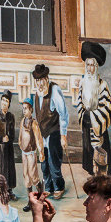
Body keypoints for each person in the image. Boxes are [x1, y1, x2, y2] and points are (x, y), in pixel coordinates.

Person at [76, 42, 111, 176]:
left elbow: (108, 107)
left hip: (98, 126)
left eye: (92, 65)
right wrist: (83, 115)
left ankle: (101, 175)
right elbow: (79, 102)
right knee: (88, 152)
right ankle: (91, 173)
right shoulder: (82, 83)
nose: (89, 69)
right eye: (87, 65)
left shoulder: (102, 85)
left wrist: (93, 117)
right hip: (87, 125)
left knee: (100, 154)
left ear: (96, 67)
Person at [32, 64, 69, 199]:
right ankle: (48, 187)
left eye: (42, 80)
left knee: (54, 163)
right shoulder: (37, 93)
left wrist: (63, 135)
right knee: (44, 163)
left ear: (46, 79)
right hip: (42, 135)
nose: (40, 83)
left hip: (54, 132)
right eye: (37, 80)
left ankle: (59, 187)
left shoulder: (54, 90)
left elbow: (63, 114)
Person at [18, 97, 44, 211]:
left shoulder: (34, 123)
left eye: (26, 109)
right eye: (23, 108)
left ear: (31, 110)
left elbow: (38, 139)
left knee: (34, 176)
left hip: (32, 154)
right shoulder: (22, 121)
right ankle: (30, 202)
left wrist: (41, 152)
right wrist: (20, 144)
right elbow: (20, 135)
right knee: (26, 177)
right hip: (24, 154)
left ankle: (40, 198)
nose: (24, 111)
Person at [0, 90, 16, 199]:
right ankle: (1, 192)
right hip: (1, 147)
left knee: (10, 169)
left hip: (9, 147)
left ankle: (9, 191)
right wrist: (2, 138)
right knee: (1, 169)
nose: (4, 103)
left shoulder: (11, 116)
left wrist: (9, 138)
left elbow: (12, 133)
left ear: (9, 103)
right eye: (3, 100)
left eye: (6, 101)